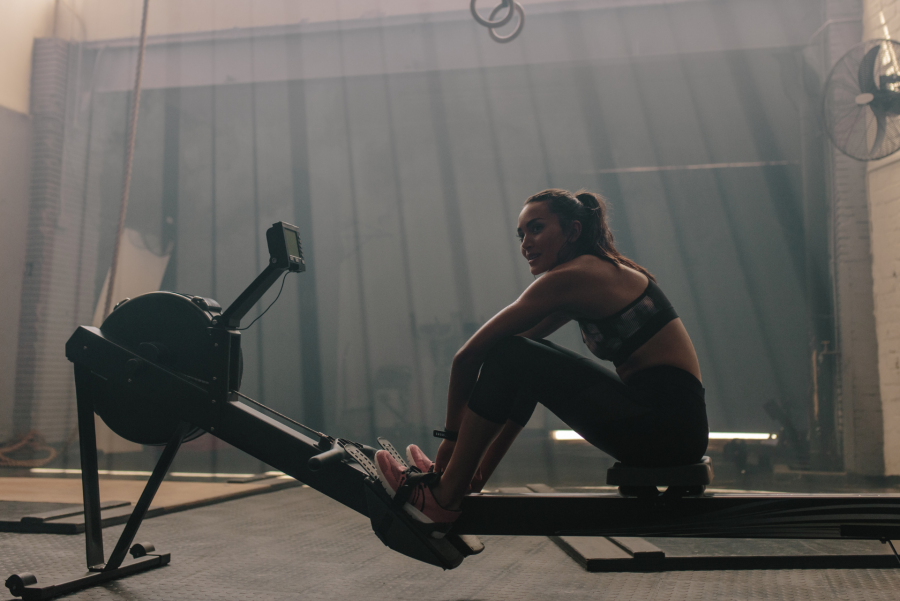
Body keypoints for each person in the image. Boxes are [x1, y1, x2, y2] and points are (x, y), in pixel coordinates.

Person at [374, 188, 709, 536]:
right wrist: (476, 468)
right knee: (519, 353)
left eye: (536, 229)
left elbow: (467, 357)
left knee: (512, 353)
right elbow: (520, 364)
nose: (525, 244)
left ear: (573, 231)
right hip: (672, 430)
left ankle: (443, 497)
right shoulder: (588, 275)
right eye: (521, 235)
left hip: (665, 432)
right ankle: (465, 480)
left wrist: (451, 439)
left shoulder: (572, 277)